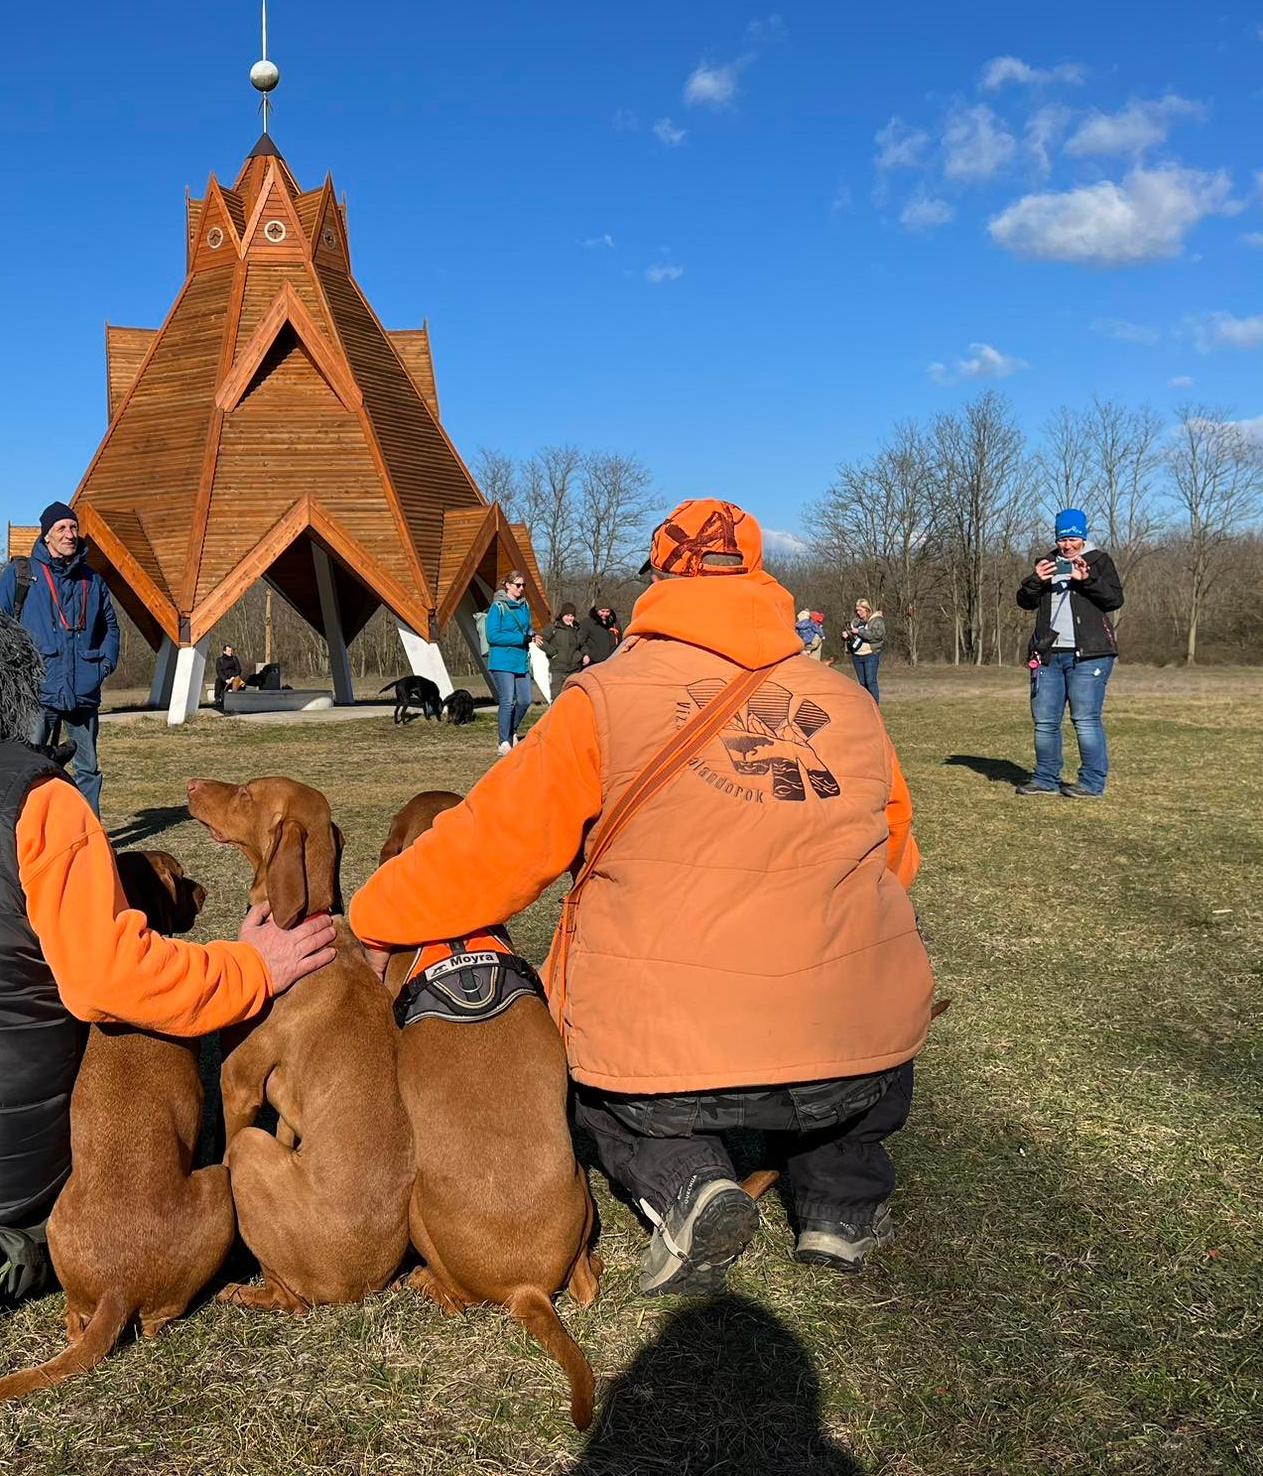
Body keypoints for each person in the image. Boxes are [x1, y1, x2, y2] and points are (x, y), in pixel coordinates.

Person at [352, 499, 933, 1292]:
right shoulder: (851, 704)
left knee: (597, 1078)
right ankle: (841, 1208)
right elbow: (895, 856)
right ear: (758, 575)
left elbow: (487, 850)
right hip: (856, 1055)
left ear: (659, 575)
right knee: (844, 1061)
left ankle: (688, 1183)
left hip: (670, 1068)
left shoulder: (601, 698)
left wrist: (376, 915)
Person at [0, 590, 337, 1369]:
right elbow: (110, 979)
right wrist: (251, 966)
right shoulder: (39, 797)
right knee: (73, 1151)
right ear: (9, 686)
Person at [0, 502, 121, 815]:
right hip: (39, 691)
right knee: (29, 766)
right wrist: (14, 671)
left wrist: (103, 665)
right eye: (61, 528)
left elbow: (111, 627)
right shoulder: (21, 575)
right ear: (46, 536)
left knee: (88, 769)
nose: (70, 534)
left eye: (73, 527)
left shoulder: (93, 580)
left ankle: (89, 833)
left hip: (83, 691)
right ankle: (25, 829)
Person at [1015, 508, 1124, 798]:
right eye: (1063, 539)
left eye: (1073, 538)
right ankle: (1045, 779)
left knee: (1085, 720)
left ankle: (1091, 782)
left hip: (1089, 654)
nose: (1067, 545)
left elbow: (1114, 599)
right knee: (1045, 721)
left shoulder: (1099, 561)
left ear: (1083, 536)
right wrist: (1036, 579)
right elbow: (1024, 601)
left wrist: (1086, 579)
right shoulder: (1047, 563)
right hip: (1048, 655)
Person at [484, 571, 536, 755]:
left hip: (520, 659)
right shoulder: (497, 607)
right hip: (502, 660)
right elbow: (492, 635)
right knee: (507, 701)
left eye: (523, 585)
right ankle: (503, 741)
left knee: (525, 700)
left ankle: (512, 729)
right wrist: (520, 638)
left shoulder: (525, 606)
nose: (521, 589)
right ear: (507, 585)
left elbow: (526, 627)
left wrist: (531, 634)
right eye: (518, 585)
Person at [840, 600, 885, 702]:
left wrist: (859, 632)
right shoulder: (855, 621)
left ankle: (874, 707)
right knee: (862, 683)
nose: (858, 613)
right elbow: (852, 635)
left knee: (870, 682)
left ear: (866, 609)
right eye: (856, 610)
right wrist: (846, 635)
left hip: (870, 655)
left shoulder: (877, 620)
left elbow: (877, 635)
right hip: (857, 656)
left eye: (860, 610)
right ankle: (866, 706)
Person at [542, 603, 588, 687]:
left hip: (575, 668)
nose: (570, 618)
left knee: (572, 696)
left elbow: (582, 644)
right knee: (557, 696)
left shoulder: (577, 629)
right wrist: (552, 652)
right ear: (562, 615)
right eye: (567, 615)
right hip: (558, 669)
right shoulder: (553, 627)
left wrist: (585, 655)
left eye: (572, 616)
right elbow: (541, 641)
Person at [214, 643, 244, 707]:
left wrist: (233, 677)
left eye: (231, 651)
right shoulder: (220, 660)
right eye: (228, 651)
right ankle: (218, 699)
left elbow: (238, 669)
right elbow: (219, 672)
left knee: (240, 680)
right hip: (224, 678)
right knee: (218, 680)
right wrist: (225, 679)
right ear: (224, 651)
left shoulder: (234, 658)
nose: (230, 652)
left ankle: (233, 697)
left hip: (233, 677)